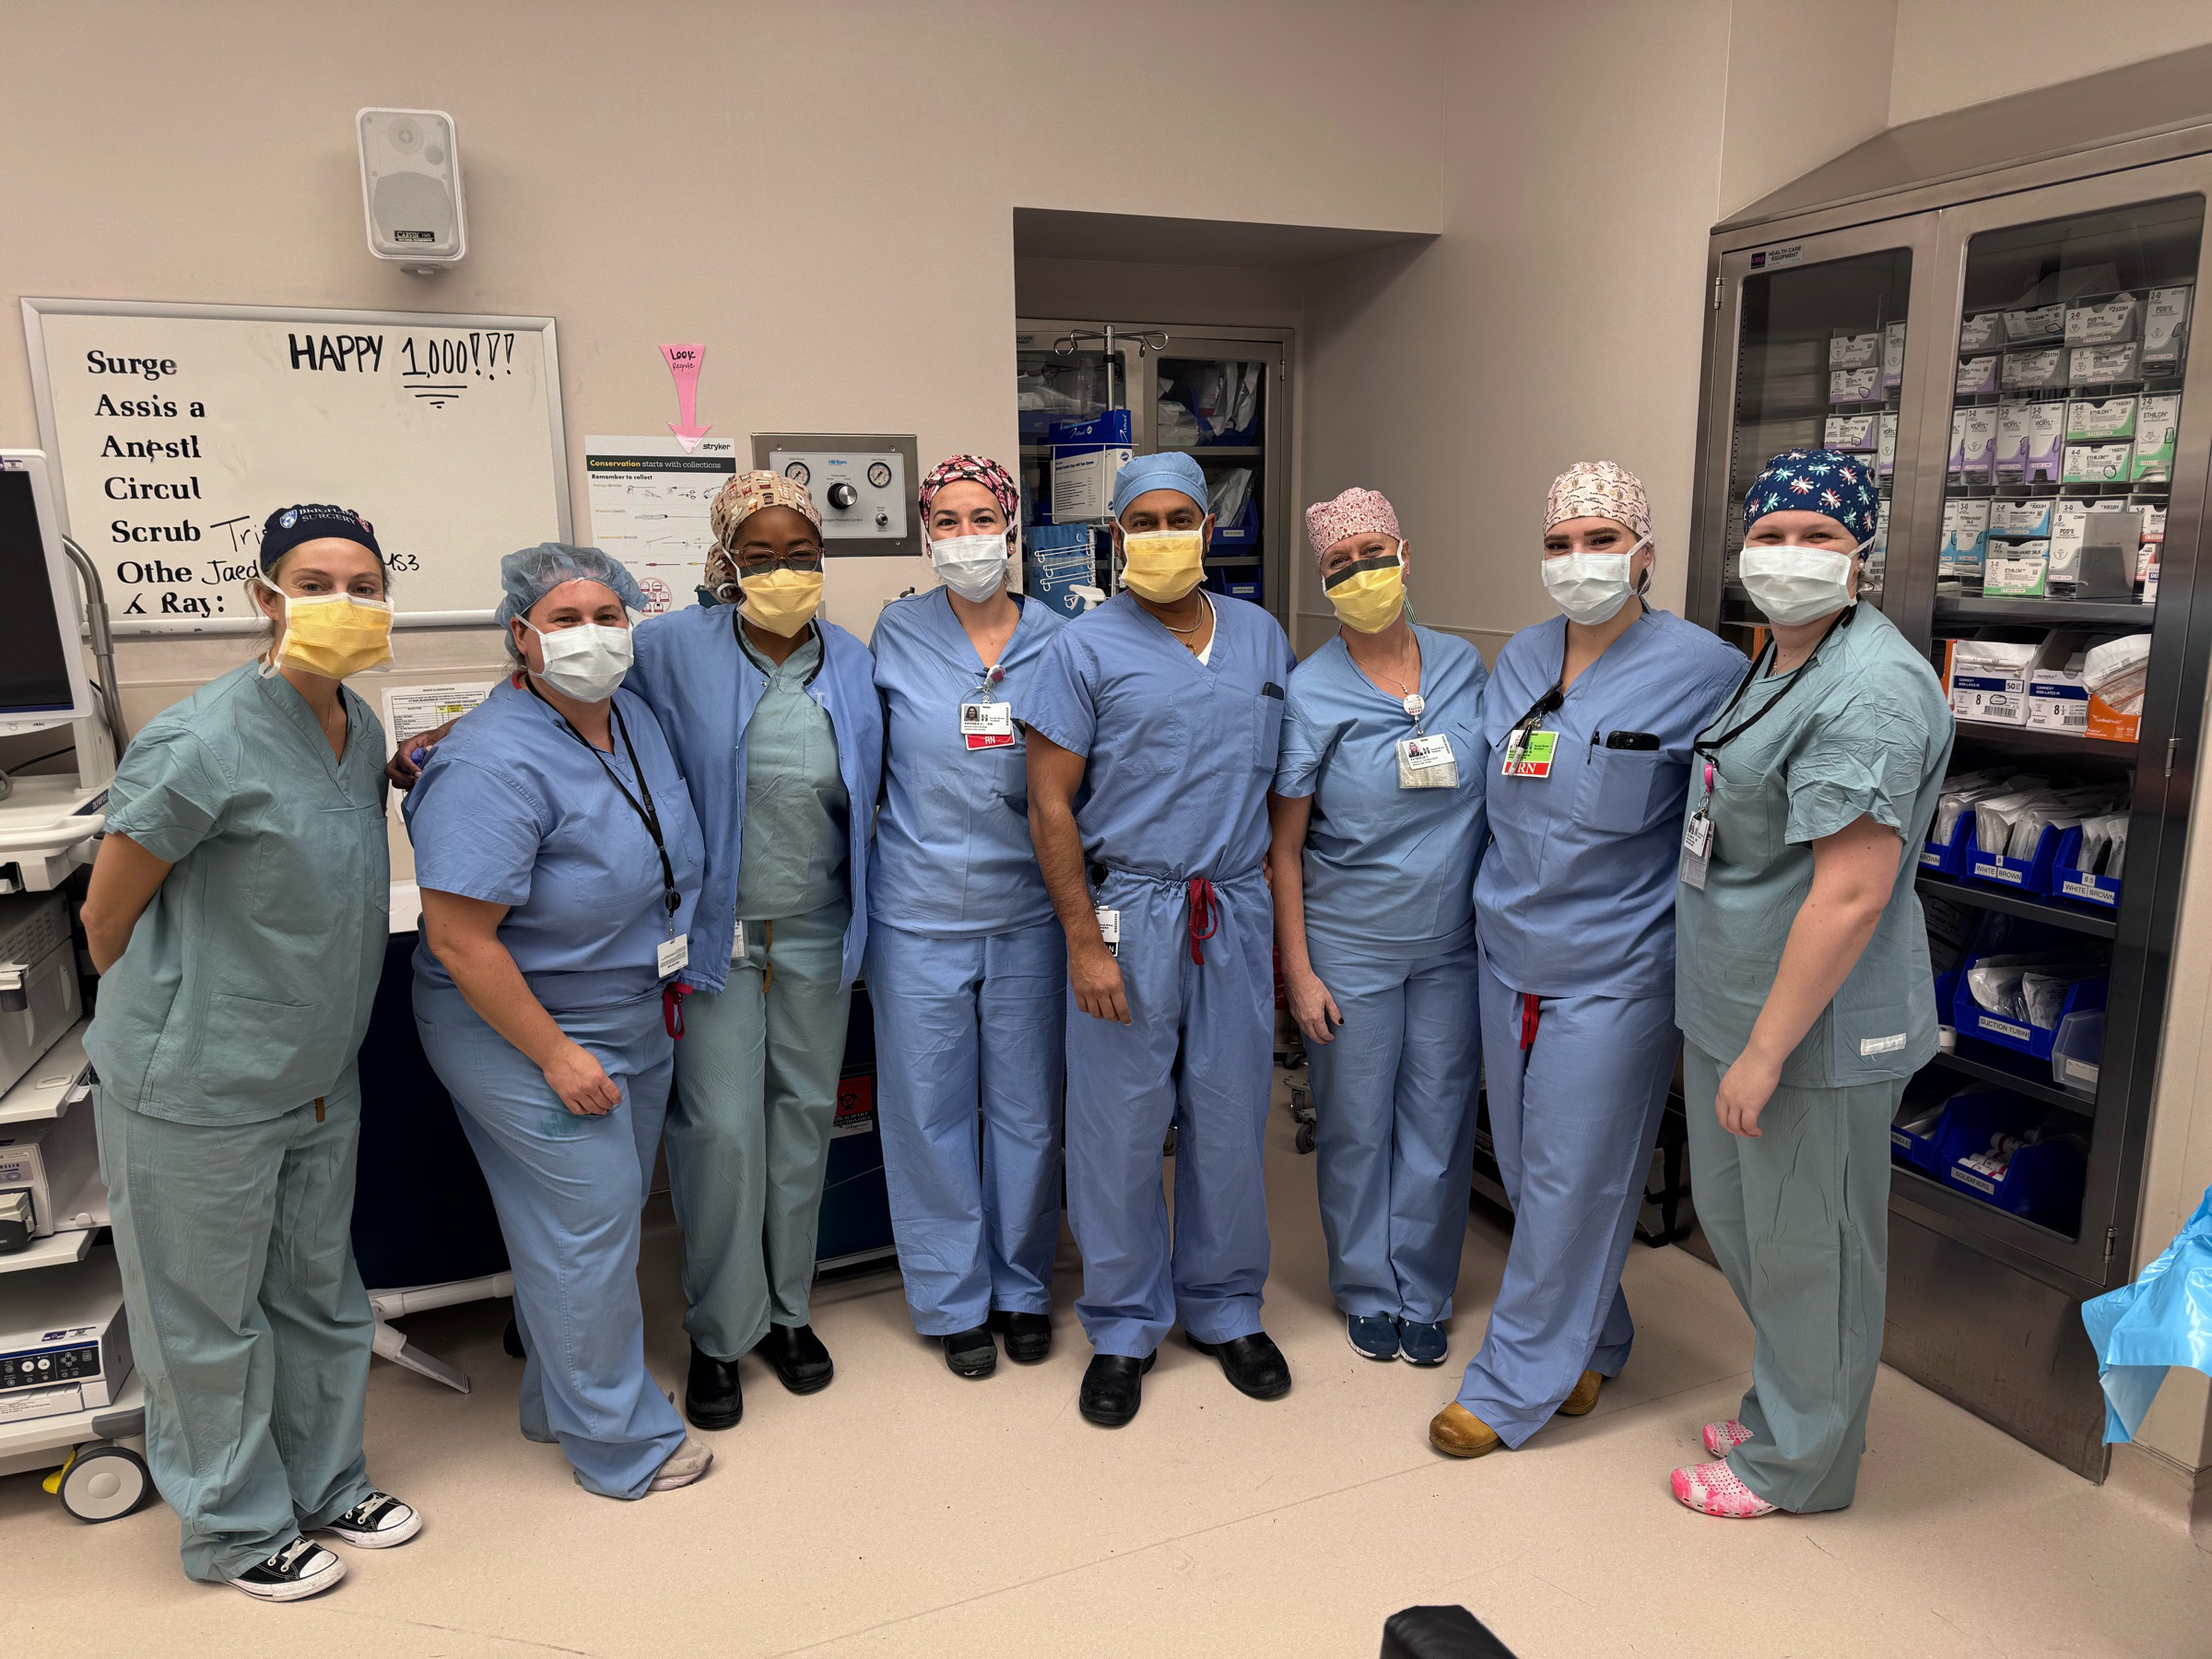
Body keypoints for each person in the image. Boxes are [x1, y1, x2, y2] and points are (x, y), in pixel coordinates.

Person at [79, 504, 419, 1603]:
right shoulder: (198, 740)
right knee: (203, 1323)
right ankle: (231, 1530)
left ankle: (326, 1484)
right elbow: (103, 921)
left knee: (320, 1296)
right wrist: (197, 1006)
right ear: (263, 597)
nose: (345, 604)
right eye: (316, 582)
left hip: (318, 1074)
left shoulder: (356, 728)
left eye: (365, 584)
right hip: (199, 1083)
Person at [1428, 462, 1747, 1461]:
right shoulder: (1521, 658)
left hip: (1620, 962)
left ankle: (1515, 1379)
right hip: (1508, 944)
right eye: (1562, 543)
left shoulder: (1704, 669)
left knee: (1573, 1175)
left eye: (1602, 541)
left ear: (1645, 553)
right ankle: (1597, 1335)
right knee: (1528, 1168)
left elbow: (1725, 825)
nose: (1579, 562)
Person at [1669, 448, 1952, 1518]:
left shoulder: (1872, 688)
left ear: (1861, 558)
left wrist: (1765, 1050)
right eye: (1772, 533)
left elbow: (1850, 896)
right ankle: (1789, 1401)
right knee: (1745, 1229)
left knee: (1812, 1250)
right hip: (1735, 997)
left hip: (1809, 1033)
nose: (1789, 555)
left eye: (1818, 537)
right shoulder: (1784, 653)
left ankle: (1800, 1467)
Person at [405, 545, 712, 1499]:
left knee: (581, 1222)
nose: (592, 635)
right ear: (521, 636)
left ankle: (557, 1400)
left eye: (609, 616)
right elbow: (460, 940)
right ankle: (621, 1442)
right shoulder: (491, 760)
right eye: (566, 619)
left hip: (633, 1006)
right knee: (586, 1226)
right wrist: (554, 1054)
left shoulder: (634, 723)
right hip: (520, 1028)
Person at [1023, 450, 1298, 1428]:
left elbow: (1279, 788)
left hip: (1233, 902)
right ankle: (1124, 1324)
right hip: (1130, 909)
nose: (1165, 537)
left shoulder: (1263, 639)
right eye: (1144, 522)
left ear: (1209, 532)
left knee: (1230, 1114)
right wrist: (1083, 946)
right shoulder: (1081, 648)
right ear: (1116, 537)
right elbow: (1050, 806)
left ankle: (1224, 1307)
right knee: (1120, 1126)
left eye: (1182, 518)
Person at [628, 472, 884, 1431]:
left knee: (802, 1124)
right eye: (763, 556)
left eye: (802, 555)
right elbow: (575, 711)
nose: (785, 571)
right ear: (727, 563)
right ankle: (718, 1331)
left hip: (818, 928)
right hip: (715, 938)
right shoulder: (669, 650)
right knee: (722, 1136)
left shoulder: (851, 663)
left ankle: (787, 1312)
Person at [1266, 487, 1488, 1369]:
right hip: (1350, 946)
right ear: (1324, 582)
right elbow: (1283, 849)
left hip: (1452, 946)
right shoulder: (1312, 689)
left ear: (1405, 552)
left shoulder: (1465, 667)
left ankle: (1424, 1289)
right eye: (1339, 564)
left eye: (1372, 553)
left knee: (1438, 1126)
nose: (1361, 573)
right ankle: (1366, 1286)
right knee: (1358, 1126)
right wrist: (1300, 972)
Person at [868, 454, 1067, 1377]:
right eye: (944, 522)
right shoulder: (894, 634)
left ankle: (1023, 1286)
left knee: (1028, 1111)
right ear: (924, 533)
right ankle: (953, 1299)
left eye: (980, 518)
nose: (964, 537)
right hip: (916, 912)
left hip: (1030, 910)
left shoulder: (1061, 639)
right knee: (929, 1112)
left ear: (1012, 527)